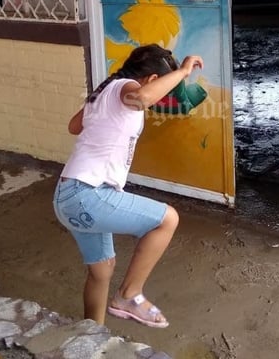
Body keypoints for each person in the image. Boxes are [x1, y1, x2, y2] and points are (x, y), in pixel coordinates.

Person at [53, 44, 204, 328]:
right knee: (167, 219)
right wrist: (183, 71)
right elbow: (142, 97)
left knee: (102, 270)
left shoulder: (106, 92)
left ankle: (90, 334)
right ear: (150, 79)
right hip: (88, 193)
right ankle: (129, 295)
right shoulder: (128, 87)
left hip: (68, 194)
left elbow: (75, 126)